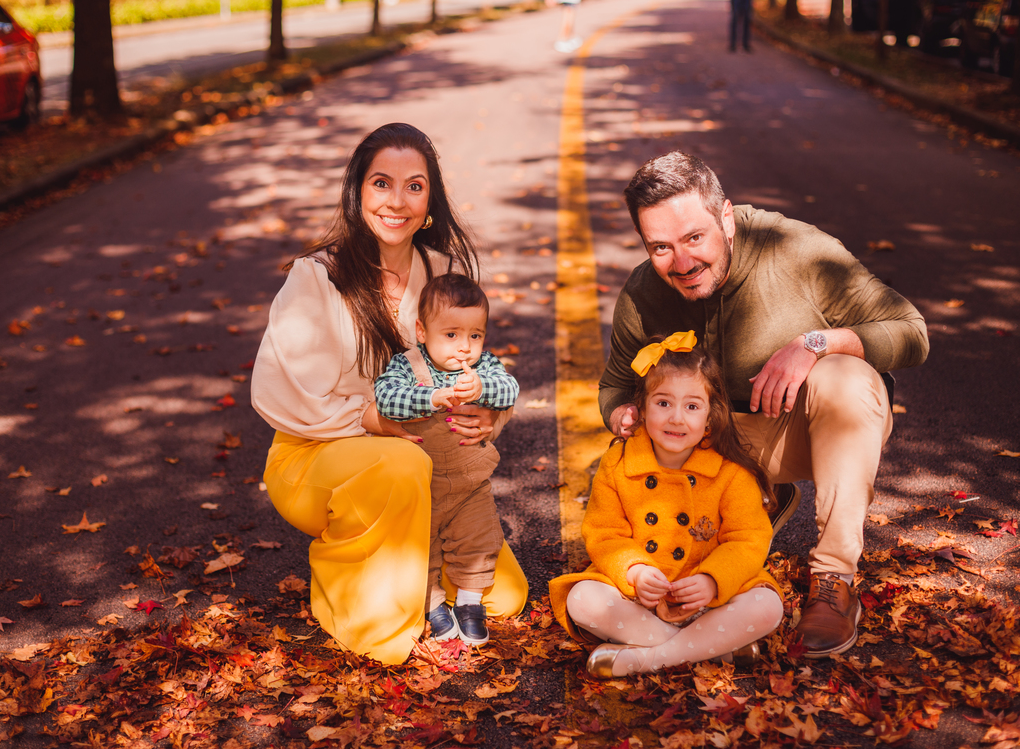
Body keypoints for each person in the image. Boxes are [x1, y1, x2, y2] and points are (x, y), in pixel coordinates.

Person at [599, 151, 928, 657]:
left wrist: (816, 344)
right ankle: (747, 506)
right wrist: (623, 413)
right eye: (660, 247)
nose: (682, 263)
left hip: (801, 428)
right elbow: (615, 386)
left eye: (694, 238)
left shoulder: (798, 250)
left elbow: (912, 332)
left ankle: (834, 579)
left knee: (848, 378)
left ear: (726, 218)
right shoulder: (644, 291)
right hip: (715, 444)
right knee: (651, 425)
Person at [251, 123, 529, 665]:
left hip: (432, 462)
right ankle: (354, 594)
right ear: (358, 192)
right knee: (402, 463)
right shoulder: (318, 277)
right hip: (314, 456)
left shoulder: (443, 273)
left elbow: (475, 364)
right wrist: (371, 418)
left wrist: (486, 419)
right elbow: (279, 395)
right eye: (382, 183)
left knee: (506, 595)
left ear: (431, 201)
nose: (397, 201)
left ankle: (421, 579)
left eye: (414, 186)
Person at [550, 332, 784, 677]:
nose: (677, 418)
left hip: (710, 600)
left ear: (709, 415)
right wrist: (635, 571)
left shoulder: (730, 471)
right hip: (639, 600)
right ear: (641, 408)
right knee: (582, 598)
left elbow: (748, 539)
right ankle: (711, 649)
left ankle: (649, 659)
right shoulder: (618, 462)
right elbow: (604, 533)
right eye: (663, 403)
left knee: (767, 606)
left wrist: (711, 580)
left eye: (691, 406)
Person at [374, 273, 520, 646]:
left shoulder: (482, 367)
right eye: (451, 334)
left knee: (479, 540)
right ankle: (433, 603)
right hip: (423, 487)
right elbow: (386, 397)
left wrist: (485, 387)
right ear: (422, 331)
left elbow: (510, 388)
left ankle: (470, 603)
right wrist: (432, 397)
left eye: (475, 335)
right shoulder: (408, 365)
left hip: (470, 485)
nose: (465, 347)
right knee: (421, 547)